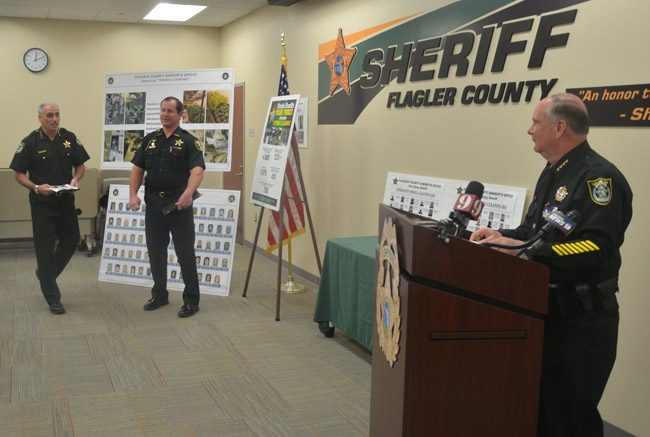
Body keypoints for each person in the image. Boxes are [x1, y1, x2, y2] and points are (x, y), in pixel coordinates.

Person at [470, 93, 633, 436]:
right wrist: (500, 236)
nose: (529, 130)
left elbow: (595, 250)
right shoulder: (554, 171)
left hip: (582, 321)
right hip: (545, 311)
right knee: (542, 412)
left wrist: (525, 251)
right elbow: (534, 231)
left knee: (570, 419)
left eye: (536, 123)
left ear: (559, 128)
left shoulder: (597, 181)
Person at [9, 102, 90, 315]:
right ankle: (53, 298)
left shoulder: (69, 138)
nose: (54, 119)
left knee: (72, 240)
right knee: (44, 249)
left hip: (65, 199)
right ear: (40, 119)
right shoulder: (30, 142)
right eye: (49, 115)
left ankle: (46, 274)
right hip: (42, 202)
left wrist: (75, 178)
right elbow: (18, 174)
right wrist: (36, 187)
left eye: (57, 115)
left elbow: (81, 165)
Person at [128, 96, 205, 318]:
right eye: (162, 110)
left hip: (178, 205)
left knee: (184, 252)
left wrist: (188, 194)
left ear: (180, 114)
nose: (165, 114)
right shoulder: (150, 140)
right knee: (156, 251)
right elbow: (137, 169)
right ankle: (159, 294)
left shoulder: (189, 141)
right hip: (153, 204)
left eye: (170, 111)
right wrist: (133, 194)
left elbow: (197, 170)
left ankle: (191, 300)